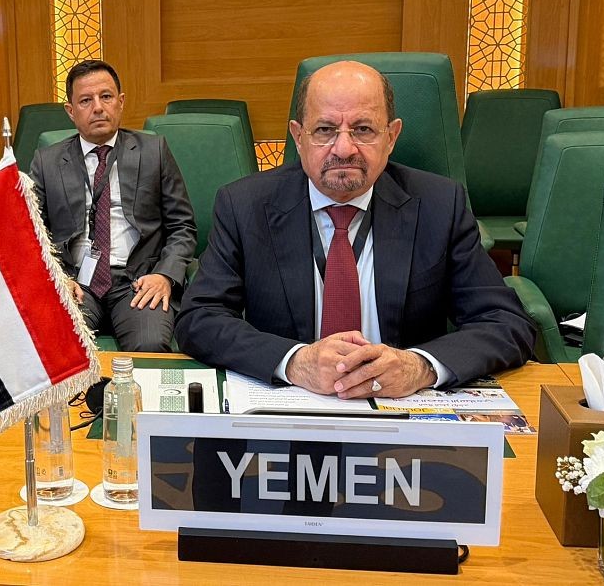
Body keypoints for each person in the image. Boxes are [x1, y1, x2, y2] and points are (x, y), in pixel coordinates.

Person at [175, 61, 535, 399]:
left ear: (391, 136)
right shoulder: (245, 206)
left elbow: (505, 323)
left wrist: (419, 367)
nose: (344, 148)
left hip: (402, 412)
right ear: (299, 137)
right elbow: (200, 318)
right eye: (325, 130)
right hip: (291, 406)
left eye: (363, 129)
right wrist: (295, 361)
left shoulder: (440, 206)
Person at [29, 60, 196, 351]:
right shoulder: (47, 162)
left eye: (106, 96)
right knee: (54, 344)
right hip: (75, 282)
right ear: (70, 111)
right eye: (85, 100)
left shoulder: (153, 151)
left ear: (120, 102)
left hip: (139, 280)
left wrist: (165, 274)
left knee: (150, 345)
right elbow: (30, 234)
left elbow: (182, 226)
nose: (98, 107)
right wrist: (54, 280)